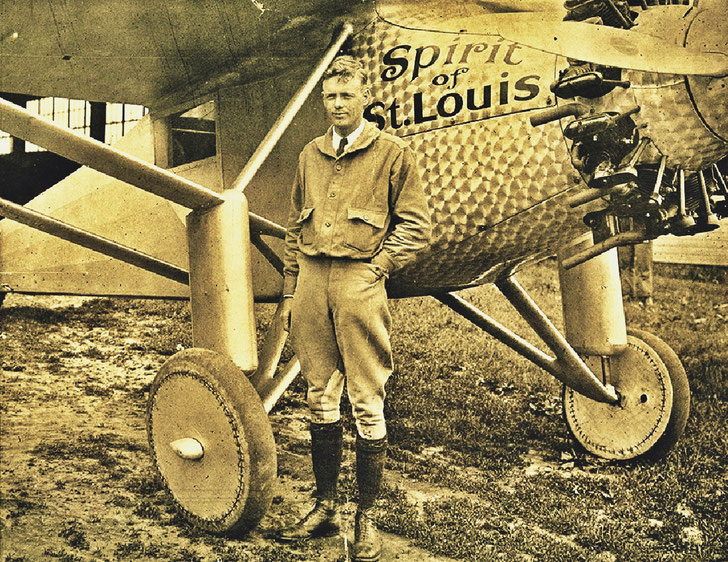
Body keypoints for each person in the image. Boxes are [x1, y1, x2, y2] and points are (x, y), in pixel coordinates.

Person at [275, 55, 432, 561]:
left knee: (366, 398)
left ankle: (366, 517)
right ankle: (324, 508)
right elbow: (296, 230)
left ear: (366, 98)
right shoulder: (309, 154)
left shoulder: (392, 154)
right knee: (320, 393)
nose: (337, 105)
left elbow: (416, 227)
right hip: (312, 284)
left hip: (359, 281)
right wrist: (289, 290)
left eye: (346, 96)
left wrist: (378, 267)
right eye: (330, 97)